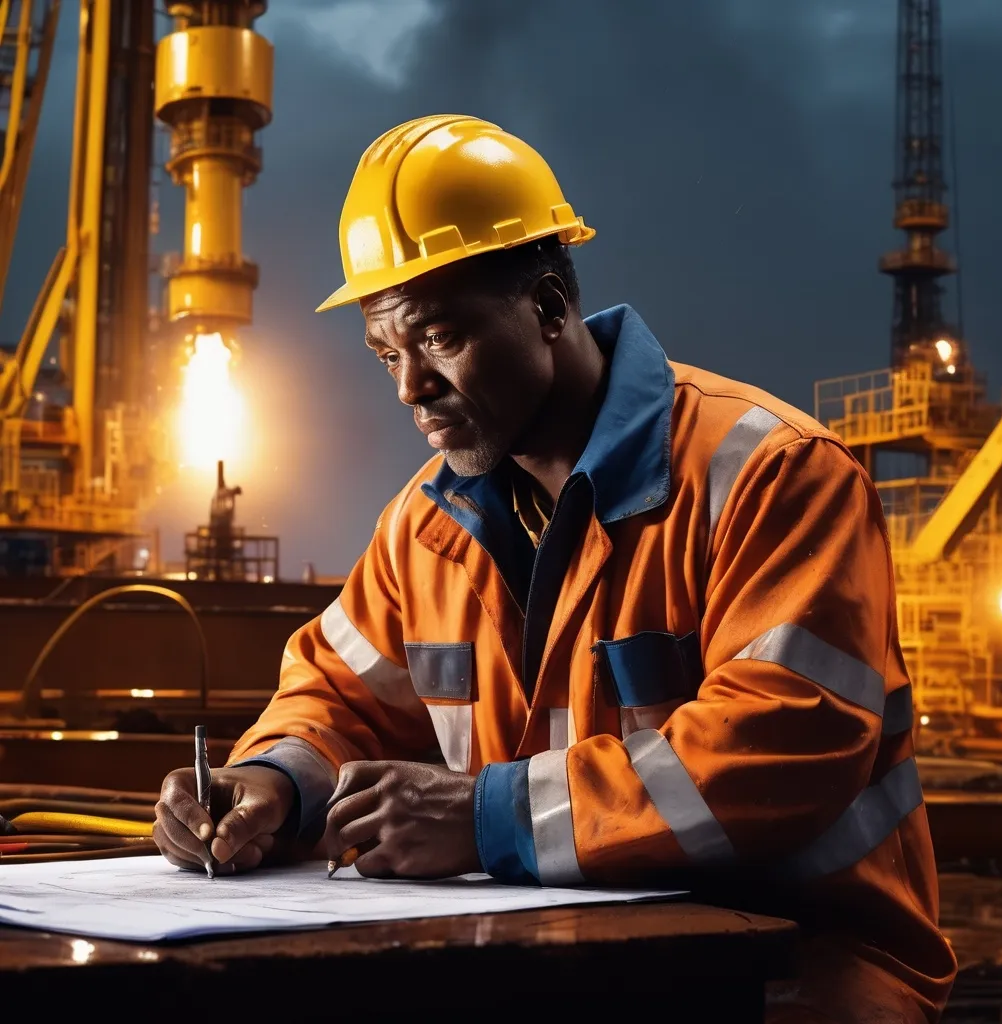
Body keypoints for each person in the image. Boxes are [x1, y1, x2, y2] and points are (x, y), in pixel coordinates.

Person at [154, 115, 957, 1021]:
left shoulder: (771, 475)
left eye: (438, 338)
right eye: (387, 352)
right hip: (568, 956)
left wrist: (483, 818)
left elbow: (782, 749)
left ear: (546, 307)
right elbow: (336, 696)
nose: (409, 386)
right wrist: (272, 783)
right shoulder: (425, 526)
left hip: (806, 967)